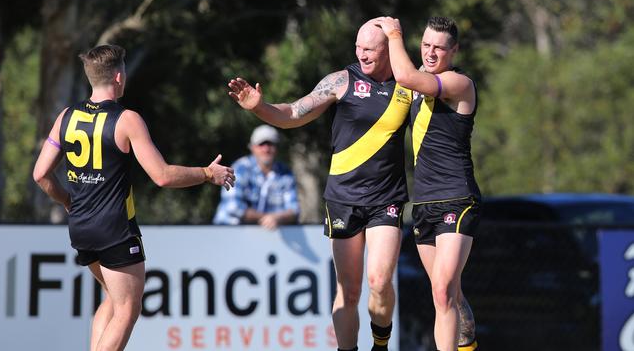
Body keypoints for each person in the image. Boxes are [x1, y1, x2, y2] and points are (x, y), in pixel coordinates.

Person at [32, 44, 235, 351]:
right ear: (118, 77)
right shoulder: (127, 119)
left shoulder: (66, 116)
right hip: (114, 229)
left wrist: (67, 202)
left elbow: (40, 175)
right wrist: (208, 173)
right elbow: (163, 175)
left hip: (81, 227)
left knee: (113, 301)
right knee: (128, 309)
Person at [227, 19, 412, 351]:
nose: (362, 54)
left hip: (387, 198)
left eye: (370, 49)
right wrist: (261, 108)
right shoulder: (342, 80)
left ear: (388, 49)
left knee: (380, 281)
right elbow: (293, 113)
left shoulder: (407, 85)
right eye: (358, 47)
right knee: (349, 290)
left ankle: (381, 345)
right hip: (342, 199)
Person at [373, 16, 481, 351]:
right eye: (426, 45)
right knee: (447, 293)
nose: (431, 52)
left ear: (454, 51)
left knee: (442, 289)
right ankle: (468, 342)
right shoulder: (414, 87)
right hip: (423, 204)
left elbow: (405, 74)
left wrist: (393, 35)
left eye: (439, 47)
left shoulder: (459, 84)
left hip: (457, 199)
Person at [212, 124, 300, 230]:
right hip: (228, 231)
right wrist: (267, 218)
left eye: (271, 144)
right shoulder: (240, 168)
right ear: (252, 148)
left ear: (277, 148)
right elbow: (233, 207)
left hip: (265, 235)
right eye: (261, 144)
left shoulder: (285, 173)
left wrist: (278, 218)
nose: (266, 149)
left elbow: (294, 210)